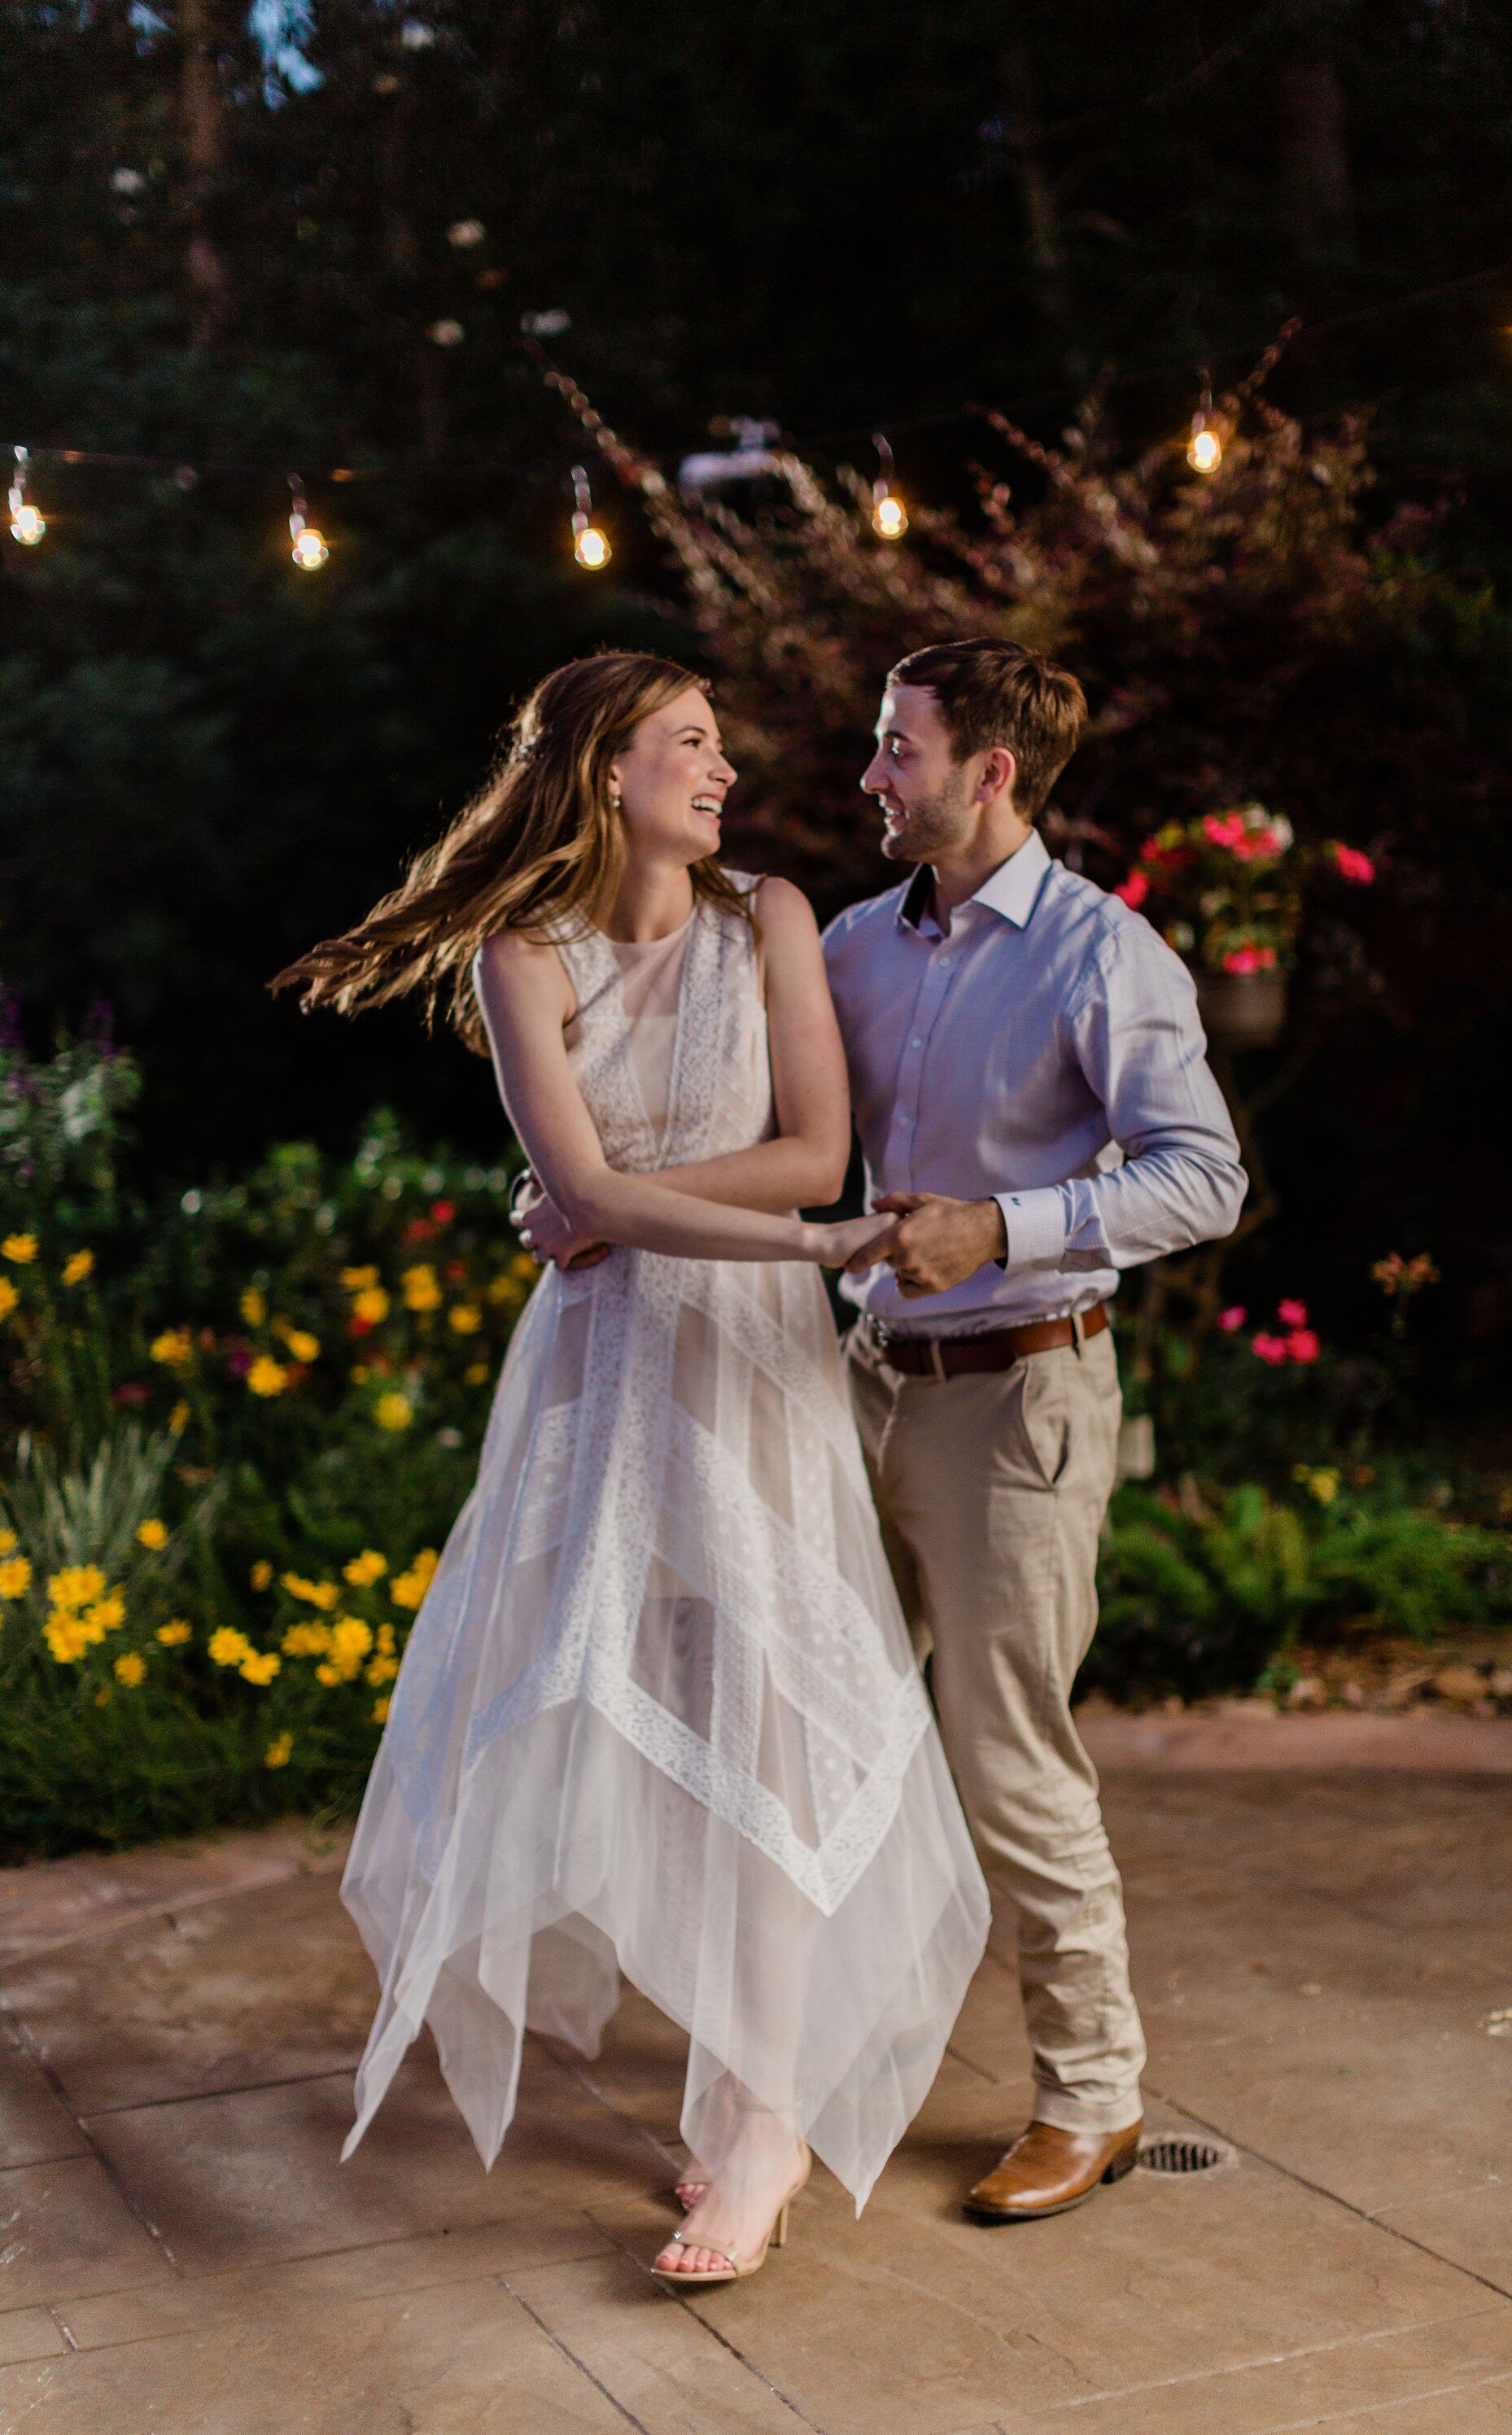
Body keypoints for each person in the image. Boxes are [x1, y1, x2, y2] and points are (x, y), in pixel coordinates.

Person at [275, 653, 990, 2286]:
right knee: (640, 1716)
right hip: (605, 1378)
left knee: (775, 1726)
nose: (721, 767)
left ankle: (760, 2117)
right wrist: (638, 1205)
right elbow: (579, 1174)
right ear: (604, 767)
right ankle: (731, 2068)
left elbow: (819, 1150)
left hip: (749, 1365)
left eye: (721, 745)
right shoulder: (526, 951)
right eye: (690, 742)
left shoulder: (774, 920)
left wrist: (628, 1205)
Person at [824, 638, 1248, 2221]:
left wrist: (1002, 1227)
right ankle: (838, 2070)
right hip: (858, 1384)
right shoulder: (853, 944)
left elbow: (1202, 1175)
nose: (871, 774)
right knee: (838, 1744)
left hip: (1020, 1401)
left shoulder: (1102, 955)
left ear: (988, 771)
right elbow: (782, 1131)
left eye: (897, 749)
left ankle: (1093, 2096)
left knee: (1008, 1763)